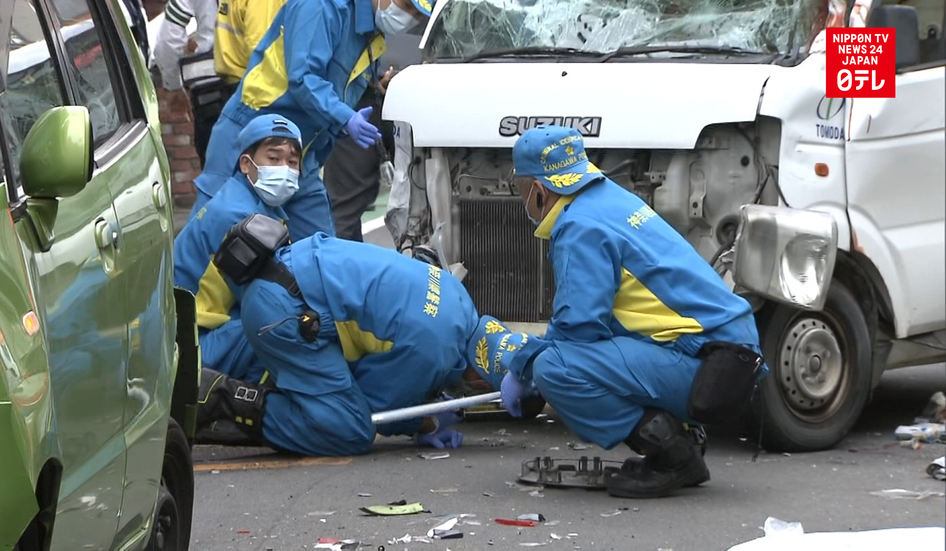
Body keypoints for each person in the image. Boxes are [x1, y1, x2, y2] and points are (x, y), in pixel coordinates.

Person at [495, 125, 765, 499]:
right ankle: (680, 435)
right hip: (727, 351)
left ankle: (672, 454)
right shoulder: (609, 199)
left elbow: (578, 330)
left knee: (555, 368)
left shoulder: (579, 227)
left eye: (521, 188)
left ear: (539, 190)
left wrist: (524, 365)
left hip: (710, 363)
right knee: (591, 351)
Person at [195, 223, 535, 457]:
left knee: (313, 344)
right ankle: (223, 399)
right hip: (283, 313)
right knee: (348, 428)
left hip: (289, 274)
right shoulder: (434, 353)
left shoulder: (458, 296)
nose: (469, 392)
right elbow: (376, 404)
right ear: (478, 376)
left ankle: (190, 369)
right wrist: (422, 422)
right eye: (476, 390)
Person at [186, 0, 437, 225]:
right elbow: (304, 77)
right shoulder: (321, 6)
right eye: (406, 5)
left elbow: (337, 79)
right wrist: (345, 117)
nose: (408, 15)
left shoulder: (368, 29)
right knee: (212, 229)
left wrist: (376, 84)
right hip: (251, 134)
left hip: (301, 150)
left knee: (318, 244)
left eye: (417, 13)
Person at [174, 114, 310, 387]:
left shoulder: (248, 202)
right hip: (194, 347)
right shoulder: (238, 219)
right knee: (281, 324)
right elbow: (270, 298)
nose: (284, 169)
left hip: (208, 332)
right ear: (246, 164)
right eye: (274, 159)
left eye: (292, 162)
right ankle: (244, 415)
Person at [323, 31, 423, 241]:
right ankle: (339, 269)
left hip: (426, 95)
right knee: (343, 210)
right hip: (361, 99)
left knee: (432, 201)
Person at [151, 0, 217, 162]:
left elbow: (168, 39)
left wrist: (173, 86)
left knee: (218, 175)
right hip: (271, 93)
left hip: (212, 93)